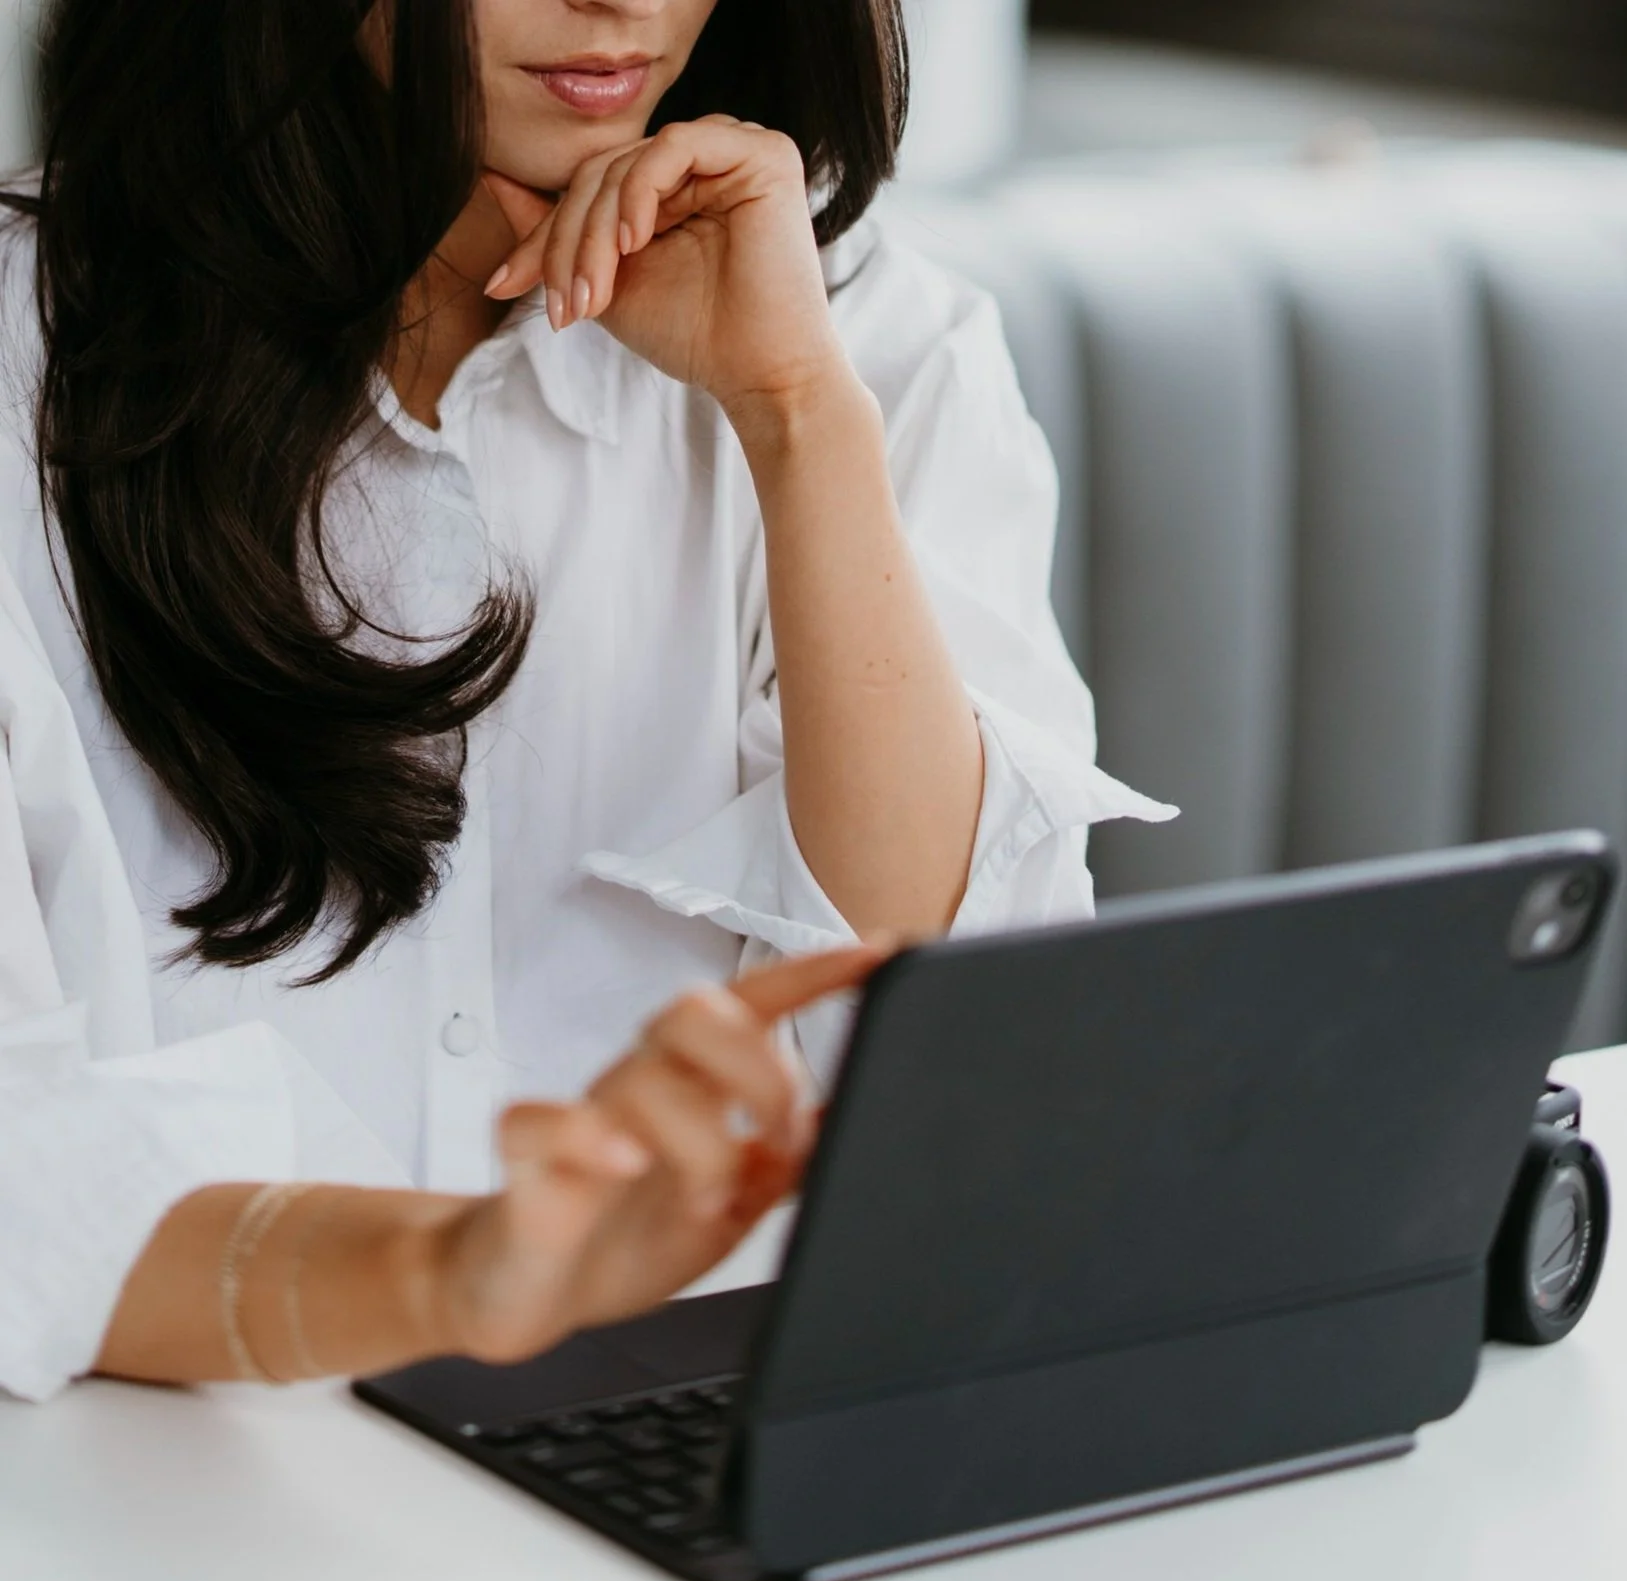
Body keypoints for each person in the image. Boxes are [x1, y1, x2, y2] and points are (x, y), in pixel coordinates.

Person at [0, 0, 1172, 1403]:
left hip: (698, 1438)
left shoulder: (864, 336)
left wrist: (797, 419)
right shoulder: (30, 363)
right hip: (174, 1482)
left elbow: (957, 1053)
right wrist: (457, 1270)